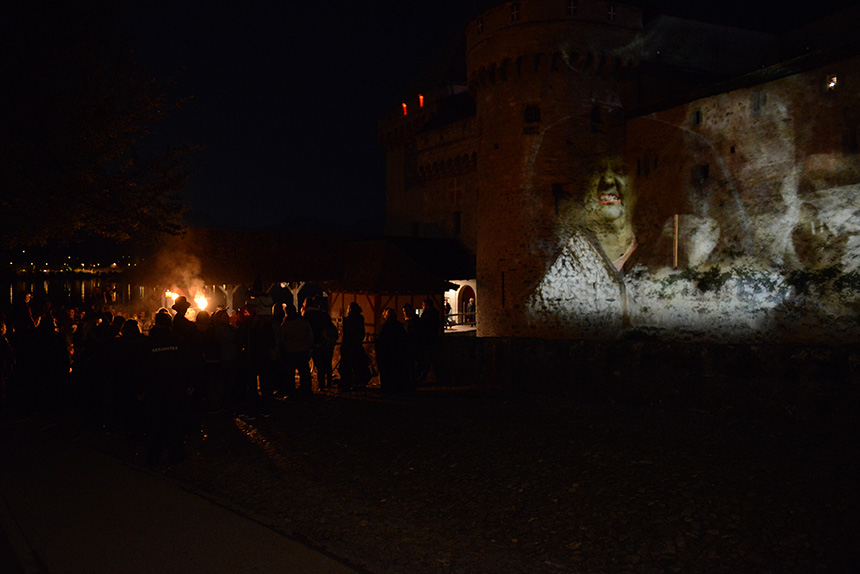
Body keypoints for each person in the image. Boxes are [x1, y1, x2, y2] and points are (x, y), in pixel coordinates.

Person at [280, 303, 313, 397]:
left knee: (290, 374)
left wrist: (285, 348)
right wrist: (307, 347)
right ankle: (306, 390)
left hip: (290, 352)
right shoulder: (304, 323)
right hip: (302, 350)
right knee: (304, 372)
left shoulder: (285, 324)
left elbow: (282, 339)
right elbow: (310, 336)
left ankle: (291, 392)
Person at [375, 308, 411, 394]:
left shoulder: (385, 327)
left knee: (387, 372)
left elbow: (380, 341)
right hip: (397, 354)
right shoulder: (399, 326)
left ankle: (388, 388)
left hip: (387, 354)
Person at [339, 302, 370, 391]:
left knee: (348, 366)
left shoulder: (350, 319)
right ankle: (358, 382)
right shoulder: (360, 319)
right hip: (357, 345)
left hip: (349, 346)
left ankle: (349, 383)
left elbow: (347, 334)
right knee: (358, 365)